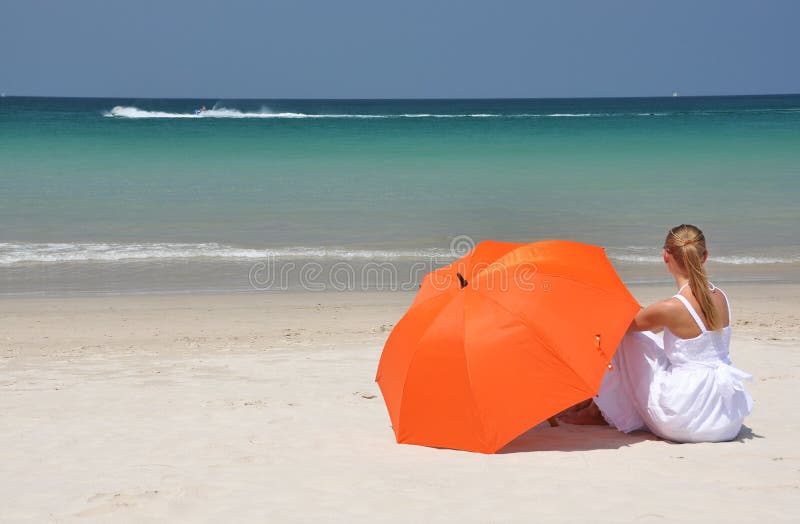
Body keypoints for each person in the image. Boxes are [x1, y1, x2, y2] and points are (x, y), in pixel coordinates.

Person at [561, 224, 753, 442]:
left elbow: (621, 326)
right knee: (645, 339)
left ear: (665, 256)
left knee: (624, 339)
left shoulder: (671, 308)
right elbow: (658, 325)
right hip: (726, 418)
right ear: (705, 256)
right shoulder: (721, 297)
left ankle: (596, 410)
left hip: (685, 416)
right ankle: (594, 406)